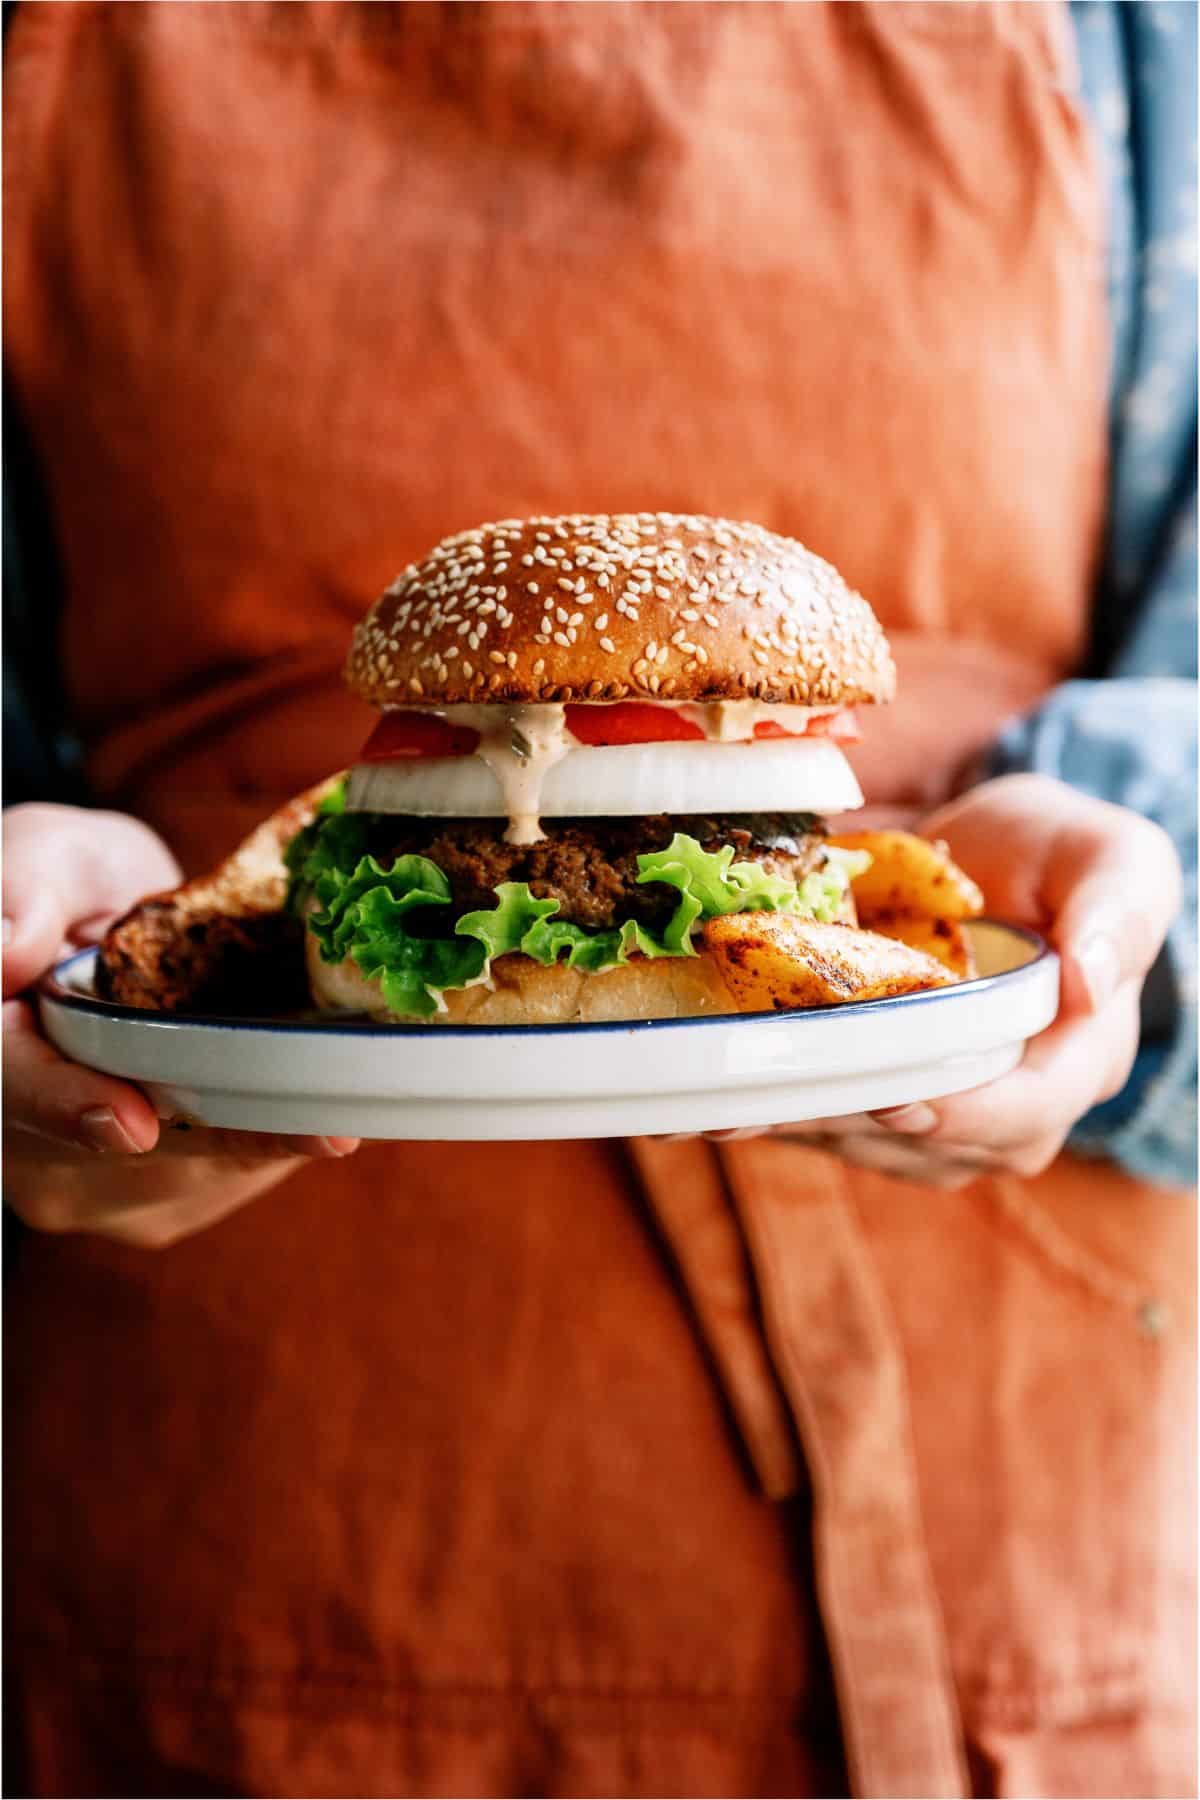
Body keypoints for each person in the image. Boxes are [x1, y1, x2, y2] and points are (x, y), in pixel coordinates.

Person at [3, 4, 1195, 1795]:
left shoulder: (1142, 39)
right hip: (245, 1564)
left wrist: (1133, 936)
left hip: (1013, 1557)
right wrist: (37, 989)